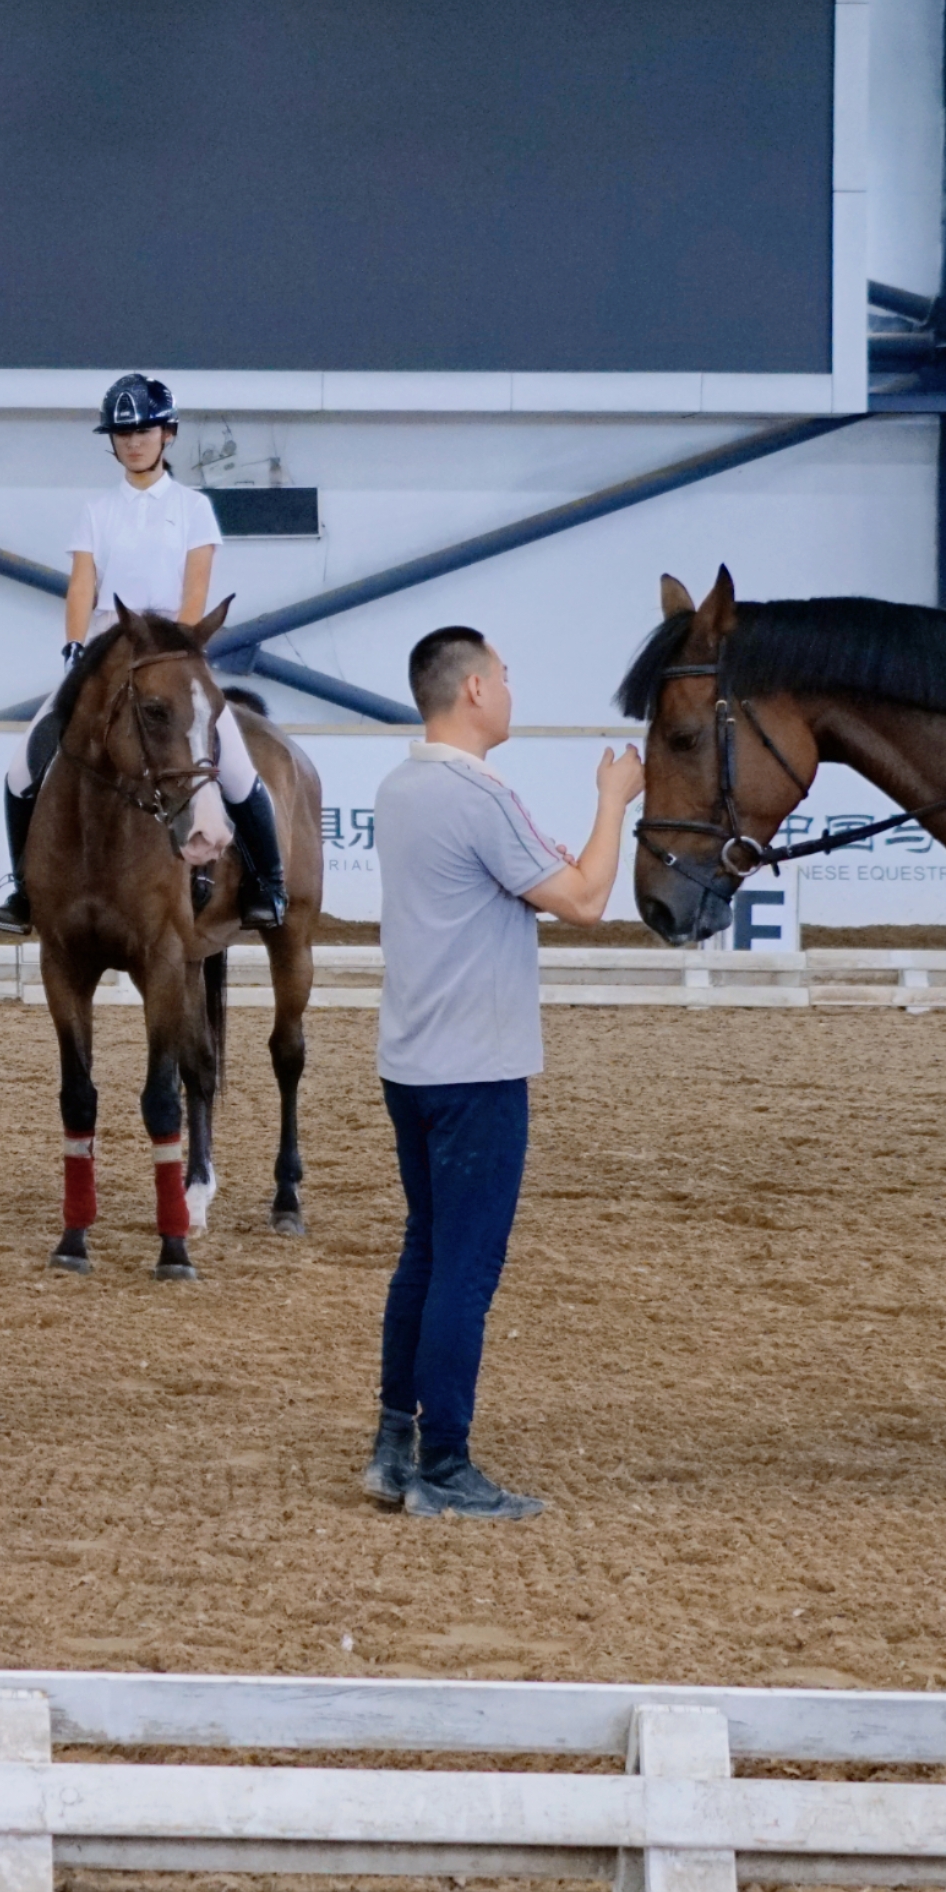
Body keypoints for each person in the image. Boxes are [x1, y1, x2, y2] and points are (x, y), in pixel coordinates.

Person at [364, 626, 641, 1520]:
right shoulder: (478, 795)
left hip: (411, 1060)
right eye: (507, 677)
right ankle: (444, 1465)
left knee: (425, 1253)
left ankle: (392, 1445)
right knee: (465, 1273)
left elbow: (521, 883)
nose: (513, 691)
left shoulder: (402, 786)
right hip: (475, 1067)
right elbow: (590, 901)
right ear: (475, 689)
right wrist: (615, 801)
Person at [0, 372, 283, 935]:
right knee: (20, 768)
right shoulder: (97, 510)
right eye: (123, 433)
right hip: (106, 644)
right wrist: (75, 644)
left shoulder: (194, 507)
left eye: (144, 430)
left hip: (173, 649)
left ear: (167, 434)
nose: (133, 441)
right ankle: (24, 888)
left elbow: (196, 587)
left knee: (240, 769)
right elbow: (83, 583)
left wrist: (179, 647)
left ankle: (267, 883)